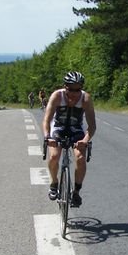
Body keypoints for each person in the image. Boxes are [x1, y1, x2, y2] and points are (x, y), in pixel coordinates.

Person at [42, 71, 97, 207]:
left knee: (80, 158)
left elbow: (92, 126)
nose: (74, 92)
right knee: (54, 156)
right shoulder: (57, 96)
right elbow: (46, 120)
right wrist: (47, 136)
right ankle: (54, 183)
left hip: (76, 128)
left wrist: (85, 140)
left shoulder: (86, 99)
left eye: (77, 89)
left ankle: (76, 192)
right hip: (58, 127)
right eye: (71, 88)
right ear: (65, 86)